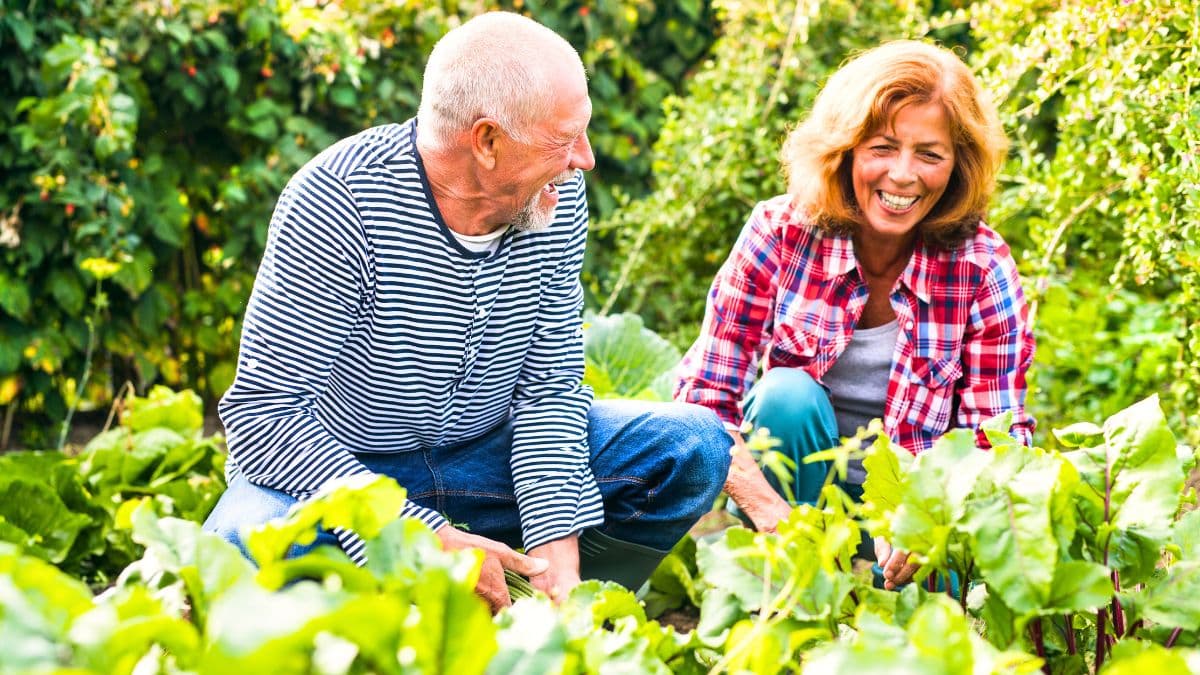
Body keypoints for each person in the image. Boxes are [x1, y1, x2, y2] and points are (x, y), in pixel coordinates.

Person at [203, 11, 731, 612]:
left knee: (693, 447)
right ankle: (397, 601)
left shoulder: (552, 196)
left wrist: (558, 557)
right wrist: (419, 533)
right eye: (565, 139)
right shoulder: (339, 199)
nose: (584, 159)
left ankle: (540, 603)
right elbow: (264, 417)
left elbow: (549, 390)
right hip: (349, 474)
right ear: (486, 141)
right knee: (244, 545)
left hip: (486, 464)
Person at [675, 40, 1034, 590]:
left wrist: (925, 520)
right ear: (845, 149)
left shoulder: (982, 267)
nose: (903, 175)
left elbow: (996, 438)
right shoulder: (780, 233)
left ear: (958, 166)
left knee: (940, 611)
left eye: (930, 155)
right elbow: (704, 400)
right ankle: (786, 588)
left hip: (914, 517)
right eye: (882, 147)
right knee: (787, 395)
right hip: (794, 504)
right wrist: (772, 515)